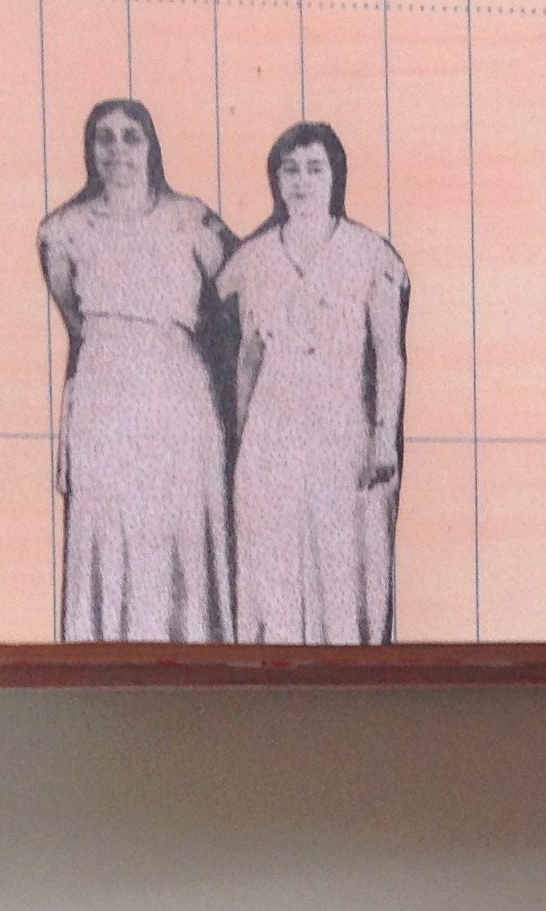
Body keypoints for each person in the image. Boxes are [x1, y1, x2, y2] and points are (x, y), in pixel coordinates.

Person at [38, 98, 235, 641]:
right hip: (104, 395)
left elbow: (239, 303)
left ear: (151, 146)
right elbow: (76, 323)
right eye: (104, 137)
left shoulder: (191, 219)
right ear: (90, 149)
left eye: (131, 136)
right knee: (111, 525)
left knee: (177, 522)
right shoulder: (62, 231)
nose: (117, 149)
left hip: (178, 392)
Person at [217, 122, 409, 644]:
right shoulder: (254, 258)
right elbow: (249, 357)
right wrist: (243, 440)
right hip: (272, 426)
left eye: (314, 169)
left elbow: (389, 355)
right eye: (291, 170)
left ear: (334, 176)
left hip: (340, 422)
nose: (301, 181)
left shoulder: (370, 254)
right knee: (273, 556)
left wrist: (383, 436)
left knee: (340, 554)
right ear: (276, 180)